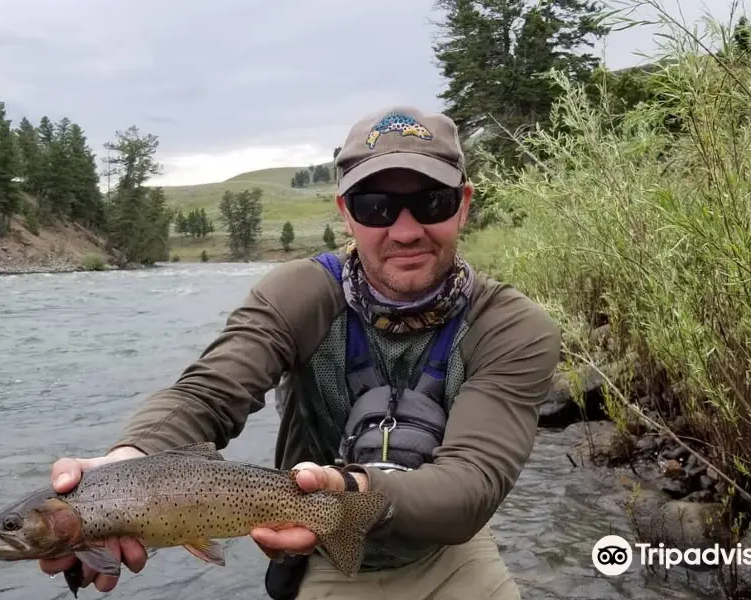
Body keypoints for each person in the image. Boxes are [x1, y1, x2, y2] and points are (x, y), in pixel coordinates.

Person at [38, 105, 561, 599]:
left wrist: (346, 494)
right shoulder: (297, 294)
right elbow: (208, 395)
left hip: (451, 552)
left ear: (463, 205)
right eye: (375, 207)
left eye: (432, 203)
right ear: (345, 213)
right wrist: (131, 460)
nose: (405, 230)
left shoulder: (513, 328)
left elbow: (470, 486)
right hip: (326, 556)